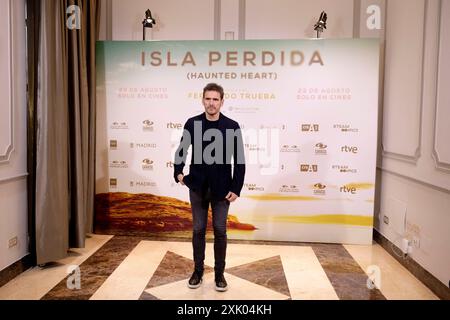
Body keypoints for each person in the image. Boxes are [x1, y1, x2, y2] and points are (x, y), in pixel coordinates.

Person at [173, 83, 245, 292]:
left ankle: (220, 274)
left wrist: (236, 187)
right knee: (198, 230)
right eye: (208, 99)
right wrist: (178, 171)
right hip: (197, 186)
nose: (211, 103)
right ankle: (197, 271)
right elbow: (182, 149)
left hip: (222, 189)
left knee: (221, 231)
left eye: (215, 99)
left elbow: (239, 160)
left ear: (222, 101)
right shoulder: (192, 123)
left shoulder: (232, 126)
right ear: (202, 100)